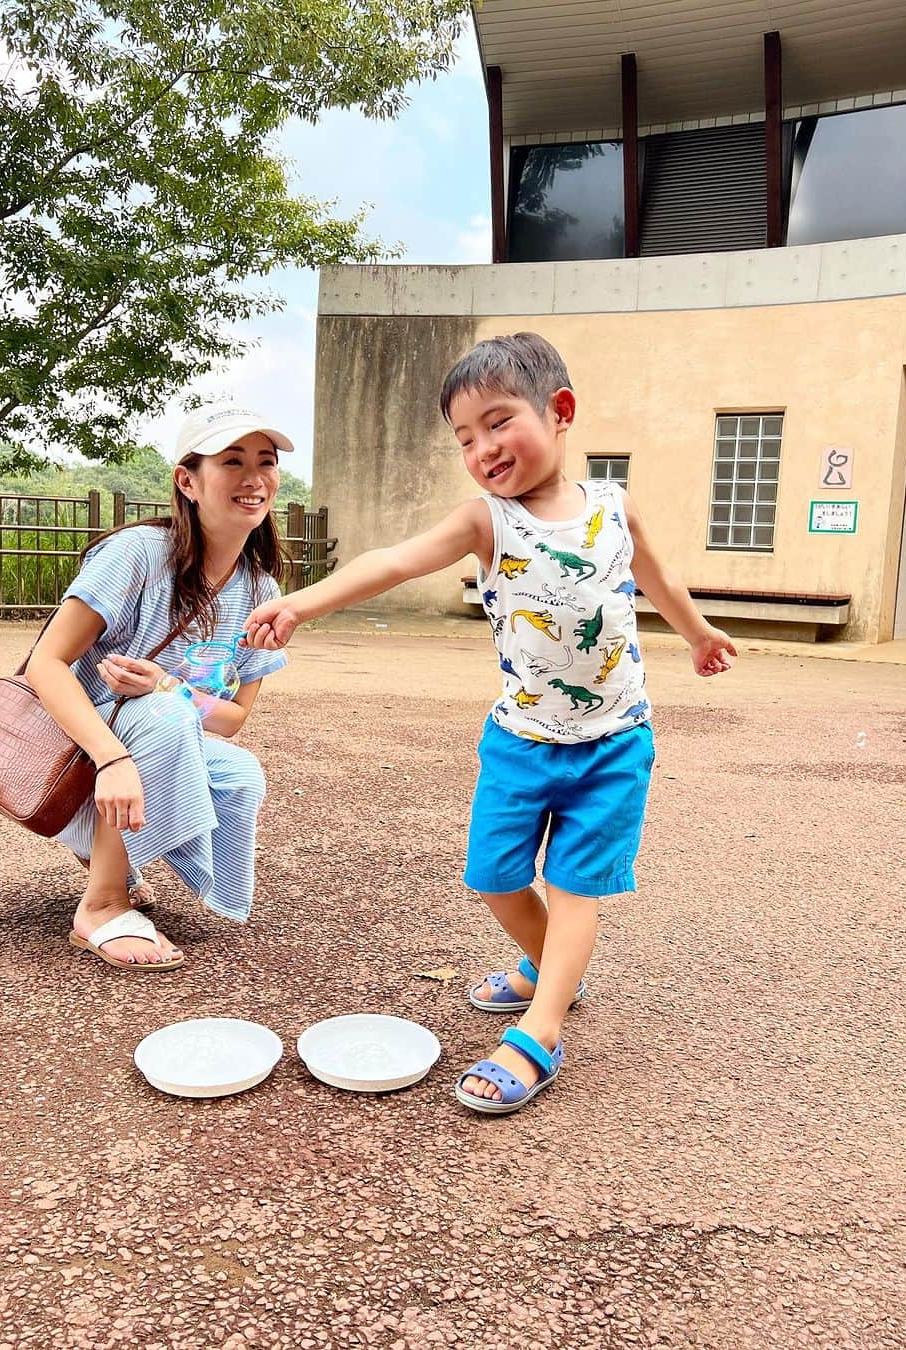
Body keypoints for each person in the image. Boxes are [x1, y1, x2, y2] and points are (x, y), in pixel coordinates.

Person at [244, 333, 736, 1111]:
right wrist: (301, 603)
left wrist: (700, 632)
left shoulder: (613, 509)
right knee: (497, 879)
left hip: (613, 743)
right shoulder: (487, 521)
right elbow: (397, 560)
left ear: (561, 411)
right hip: (520, 740)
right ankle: (551, 970)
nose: (482, 449)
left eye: (498, 422)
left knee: (574, 888)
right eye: (464, 438)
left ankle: (540, 1031)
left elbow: (657, 576)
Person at [26, 405, 293, 971]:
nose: (254, 478)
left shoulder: (260, 588)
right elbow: (45, 663)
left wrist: (170, 685)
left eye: (265, 462)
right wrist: (112, 759)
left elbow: (231, 719)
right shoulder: (138, 555)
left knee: (239, 769)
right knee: (163, 718)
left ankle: (107, 847)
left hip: (150, 734)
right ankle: (101, 905)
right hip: (80, 738)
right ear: (187, 480)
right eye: (232, 461)